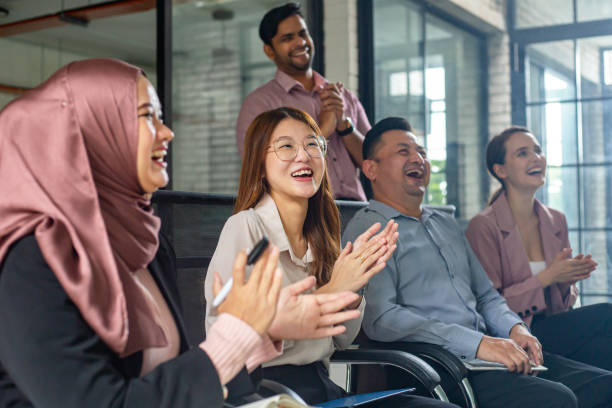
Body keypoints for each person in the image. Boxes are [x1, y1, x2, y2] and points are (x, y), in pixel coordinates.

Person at [0, 59, 359, 408]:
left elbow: (179, 380)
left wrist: (266, 330)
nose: (168, 131)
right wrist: (243, 331)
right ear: (91, 132)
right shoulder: (30, 262)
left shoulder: (146, 246)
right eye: (147, 116)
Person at [342, 117, 612, 408]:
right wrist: (477, 344)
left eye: (421, 151)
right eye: (403, 151)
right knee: (557, 399)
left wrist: (515, 328)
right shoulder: (370, 230)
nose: (418, 158)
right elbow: (382, 319)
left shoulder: (445, 224)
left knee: (604, 387)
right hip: (438, 368)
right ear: (371, 169)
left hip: (491, 355)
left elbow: (487, 296)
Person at [205, 107, 459, 408]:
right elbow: (232, 340)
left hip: (322, 388)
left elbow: (340, 340)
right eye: (286, 146)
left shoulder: (320, 238)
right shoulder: (246, 226)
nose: (304, 155)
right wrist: (335, 289)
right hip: (267, 392)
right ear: (260, 165)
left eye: (313, 144)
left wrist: (354, 285)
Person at [466, 127, 612, 371]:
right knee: (606, 315)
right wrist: (548, 276)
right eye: (523, 153)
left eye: (538, 151)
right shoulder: (483, 226)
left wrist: (567, 279)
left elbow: (564, 306)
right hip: (514, 334)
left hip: (555, 328)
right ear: (499, 170)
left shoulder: (556, 220)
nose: (536, 158)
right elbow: (488, 306)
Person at [236, 2, 370, 201]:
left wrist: (344, 126)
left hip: (357, 212)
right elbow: (259, 169)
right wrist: (323, 129)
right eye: (287, 38)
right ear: (269, 51)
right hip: (304, 216)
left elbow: (374, 165)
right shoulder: (260, 104)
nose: (300, 42)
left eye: (302, 33)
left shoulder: (343, 97)